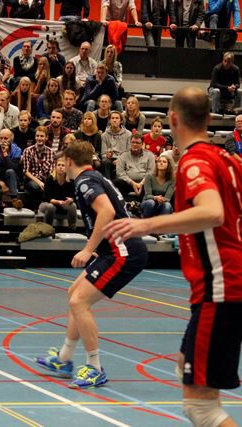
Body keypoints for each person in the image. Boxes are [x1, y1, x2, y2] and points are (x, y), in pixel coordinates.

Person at [104, 87, 242, 427]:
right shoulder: (230, 160)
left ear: (173, 119)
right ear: (209, 118)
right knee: (185, 365)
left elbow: (212, 212)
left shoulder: (195, 162)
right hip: (222, 287)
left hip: (220, 288)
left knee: (202, 408)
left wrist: (145, 224)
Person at [35, 141, 148, 389]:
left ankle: (95, 367)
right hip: (114, 249)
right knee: (74, 293)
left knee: (79, 302)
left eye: (63, 162)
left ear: (69, 162)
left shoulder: (84, 181)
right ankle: (64, 358)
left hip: (123, 251)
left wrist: (88, 249)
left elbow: (106, 211)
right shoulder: (95, 177)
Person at [38, 155, 77, 229]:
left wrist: (71, 200)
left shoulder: (70, 180)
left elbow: (74, 196)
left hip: (63, 204)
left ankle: (72, 228)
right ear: (55, 167)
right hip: (47, 204)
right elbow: (46, 197)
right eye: (58, 165)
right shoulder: (50, 179)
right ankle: (47, 228)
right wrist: (57, 202)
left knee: (73, 206)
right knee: (51, 207)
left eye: (63, 165)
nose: (60, 167)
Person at [21, 126, 55, 211]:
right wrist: (39, 182)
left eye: (42, 136)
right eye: (37, 136)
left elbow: (52, 171)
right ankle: (41, 208)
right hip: (31, 179)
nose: (39, 138)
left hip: (45, 180)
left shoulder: (51, 152)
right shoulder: (28, 151)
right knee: (36, 187)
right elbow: (26, 171)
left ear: (46, 138)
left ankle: (39, 208)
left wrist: (47, 183)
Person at [113, 133, 156, 201]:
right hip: (128, 183)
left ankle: (143, 202)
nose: (134, 144)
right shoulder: (123, 155)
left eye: (137, 143)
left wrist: (141, 183)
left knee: (150, 183)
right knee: (117, 182)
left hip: (143, 183)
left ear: (142, 144)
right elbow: (120, 173)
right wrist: (132, 183)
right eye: (133, 142)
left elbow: (151, 172)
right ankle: (124, 202)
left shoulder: (150, 155)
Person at [101, 111, 132, 178]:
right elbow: (103, 154)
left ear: (121, 121)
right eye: (112, 118)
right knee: (105, 161)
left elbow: (129, 152)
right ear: (109, 121)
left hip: (123, 158)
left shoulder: (128, 134)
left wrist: (120, 160)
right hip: (110, 159)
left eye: (117, 118)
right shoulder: (104, 135)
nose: (114, 120)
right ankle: (107, 182)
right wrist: (107, 155)